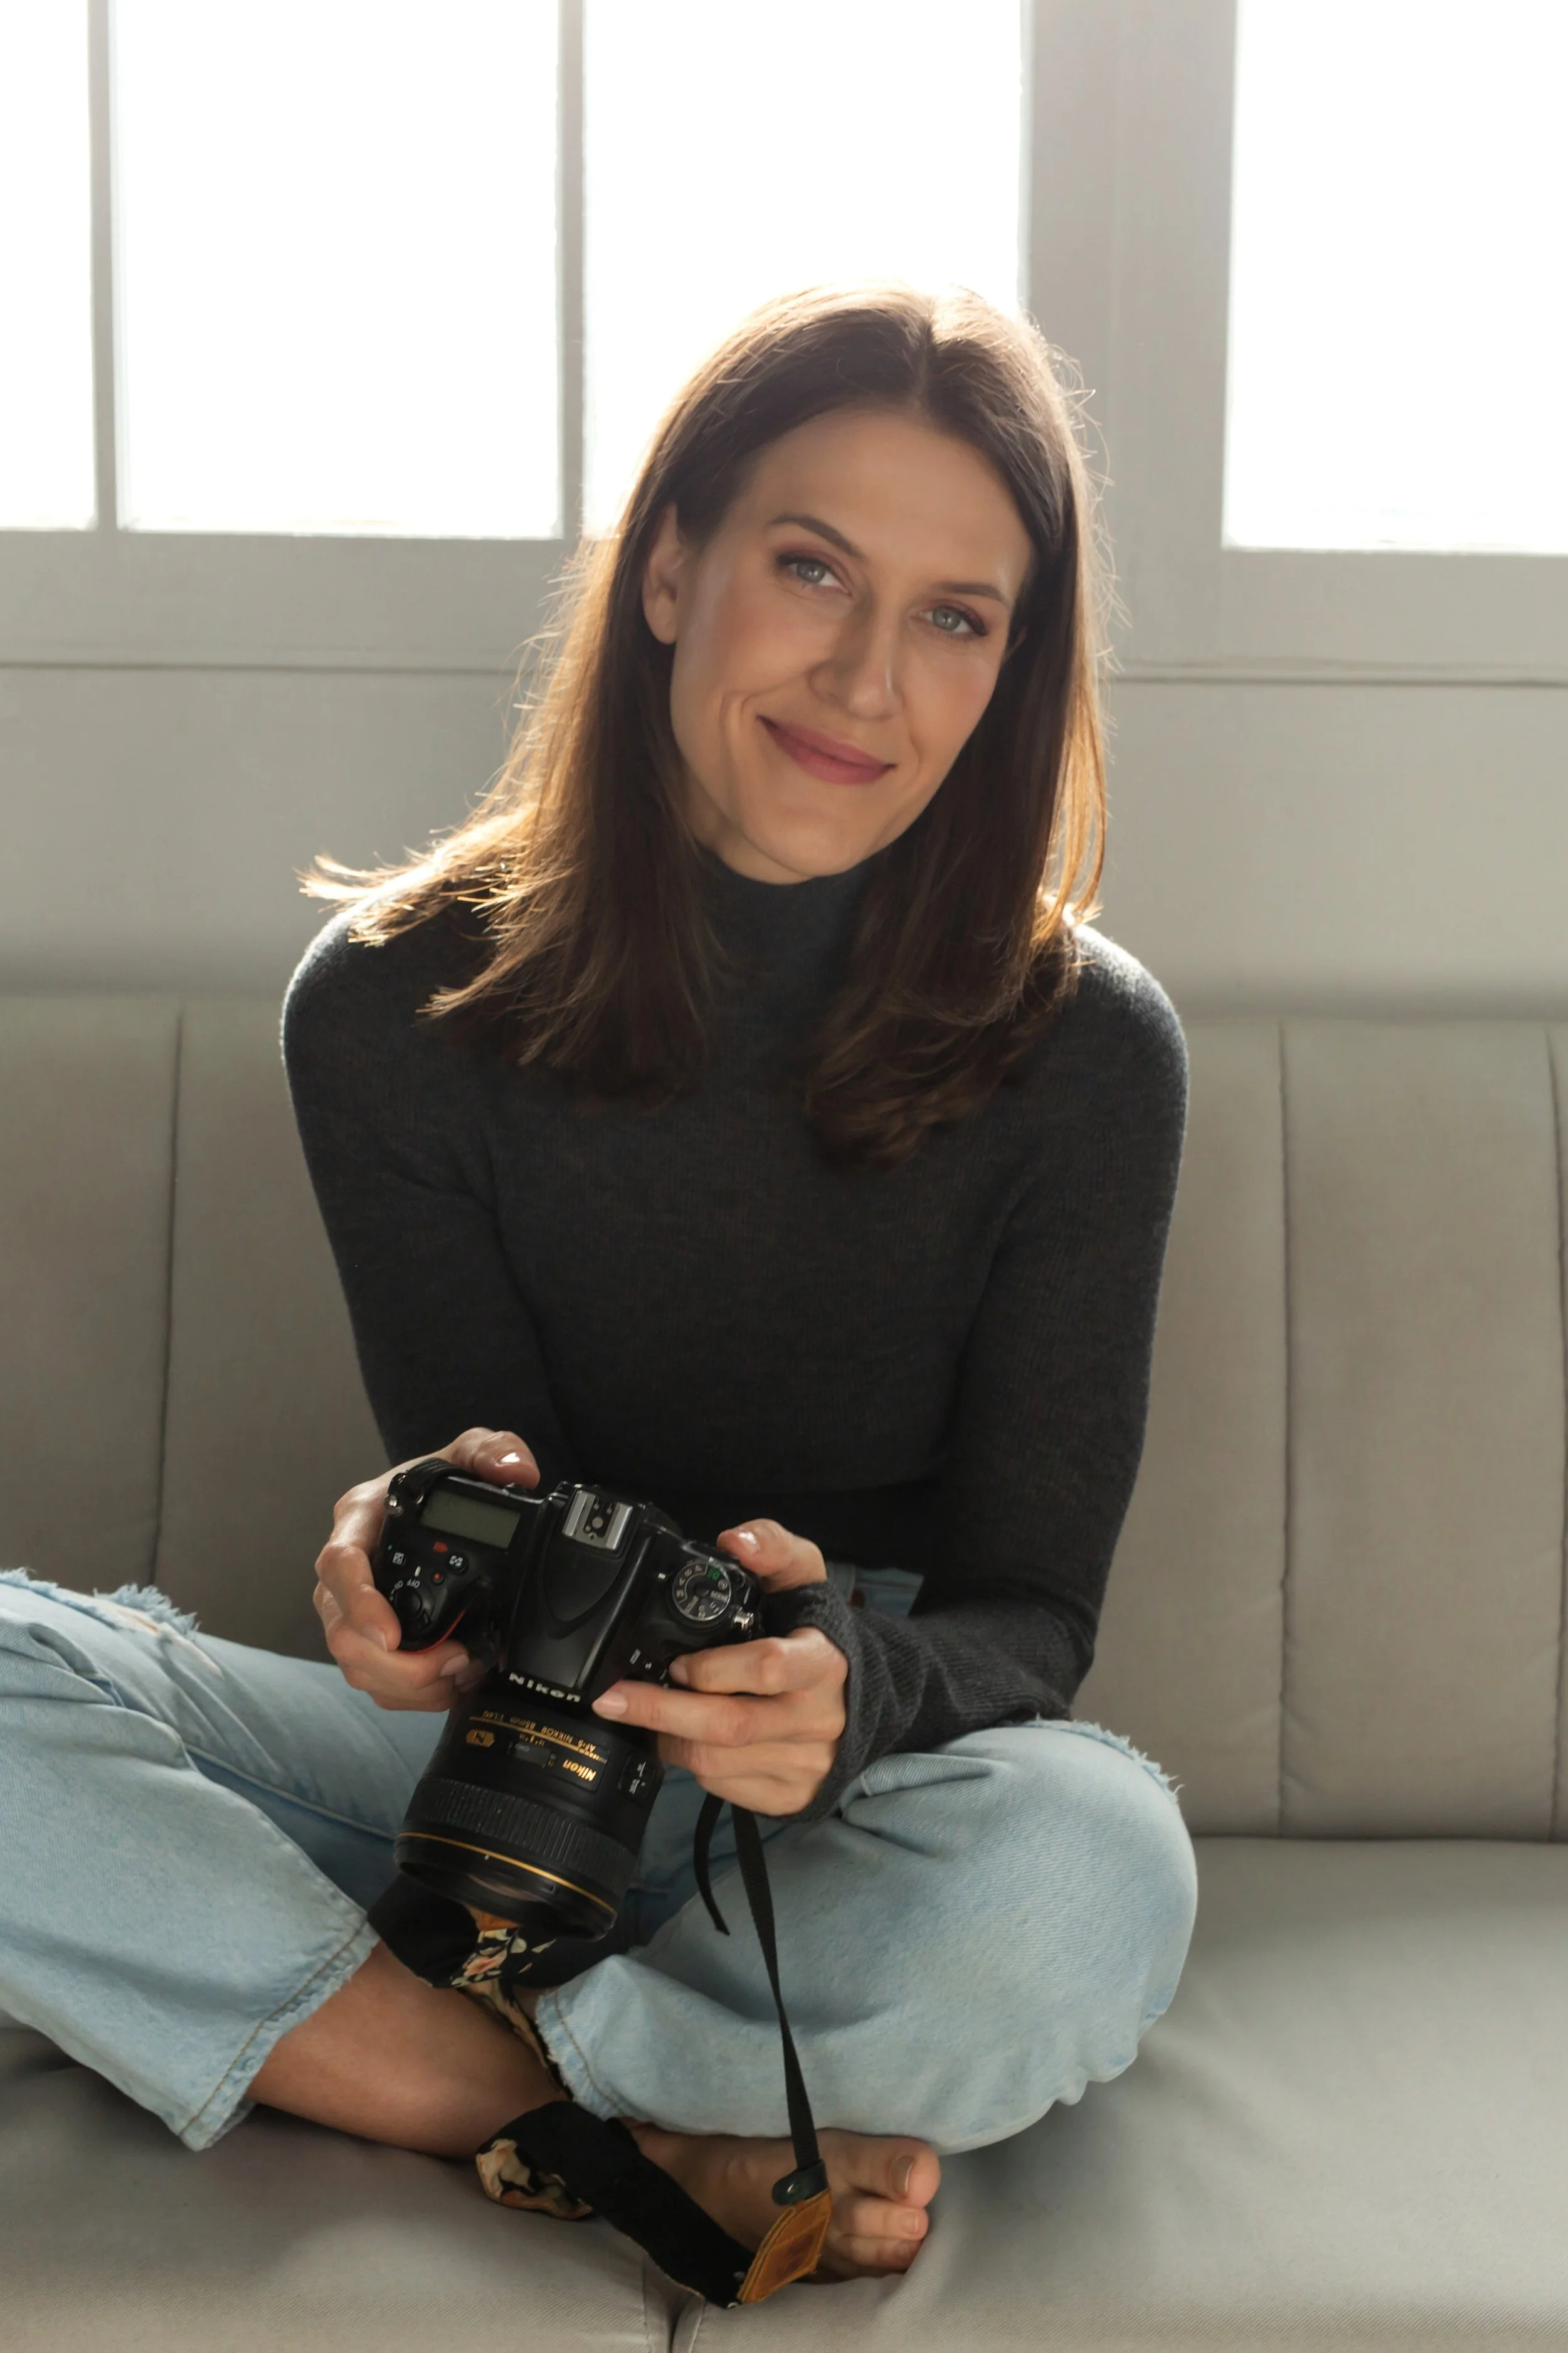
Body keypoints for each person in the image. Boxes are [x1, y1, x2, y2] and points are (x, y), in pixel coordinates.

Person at [0, 284, 1197, 2294]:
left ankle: (285, 2009)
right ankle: (619, 2135)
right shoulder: (389, 1001)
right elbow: (494, 1487)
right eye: (809, 567)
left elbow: (1032, 1615)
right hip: (498, 1772)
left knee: (1089, 1871)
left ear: (1012, 666)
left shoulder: (1084, 1048)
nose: (865, 677)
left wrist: (842, 1698)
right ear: (667, 569)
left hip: (840, 1804)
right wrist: (411, 1574)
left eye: (954, 615)